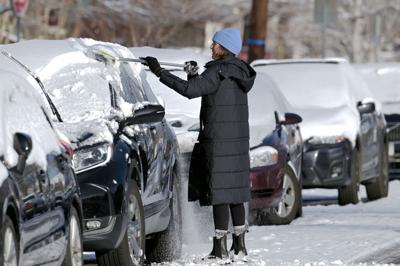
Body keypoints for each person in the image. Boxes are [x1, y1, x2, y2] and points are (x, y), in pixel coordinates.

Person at [141, 27, 256, 260]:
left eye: (215, 43)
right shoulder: (238, 70)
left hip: (219, 141)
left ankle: (220, 247)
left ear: (224, 47)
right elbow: (203, 87)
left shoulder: (218, 71)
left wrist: (159, 71)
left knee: (220, 193)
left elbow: (190, 91)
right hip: (236, 141)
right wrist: (193, 74)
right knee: (234, 193)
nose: (211, 47)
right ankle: (239, 245)